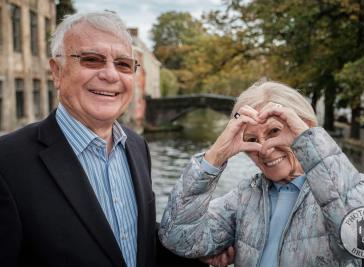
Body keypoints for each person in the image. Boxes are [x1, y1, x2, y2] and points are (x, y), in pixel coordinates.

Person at [0, 11, 211, 267]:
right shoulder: (8, 162)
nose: (111, 75)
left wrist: (199, 251)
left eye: (123, 64)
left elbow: (137, 242)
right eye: (91, 59)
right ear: (56, 71)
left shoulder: (136, 146)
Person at [159, 80, 364, 266]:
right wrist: (215, 156)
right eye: (251, 139)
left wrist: (311, 145)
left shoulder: (351, 187)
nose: (263, 148)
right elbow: (179, 238)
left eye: (274, 132)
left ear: (305, 128)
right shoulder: (244, 197)